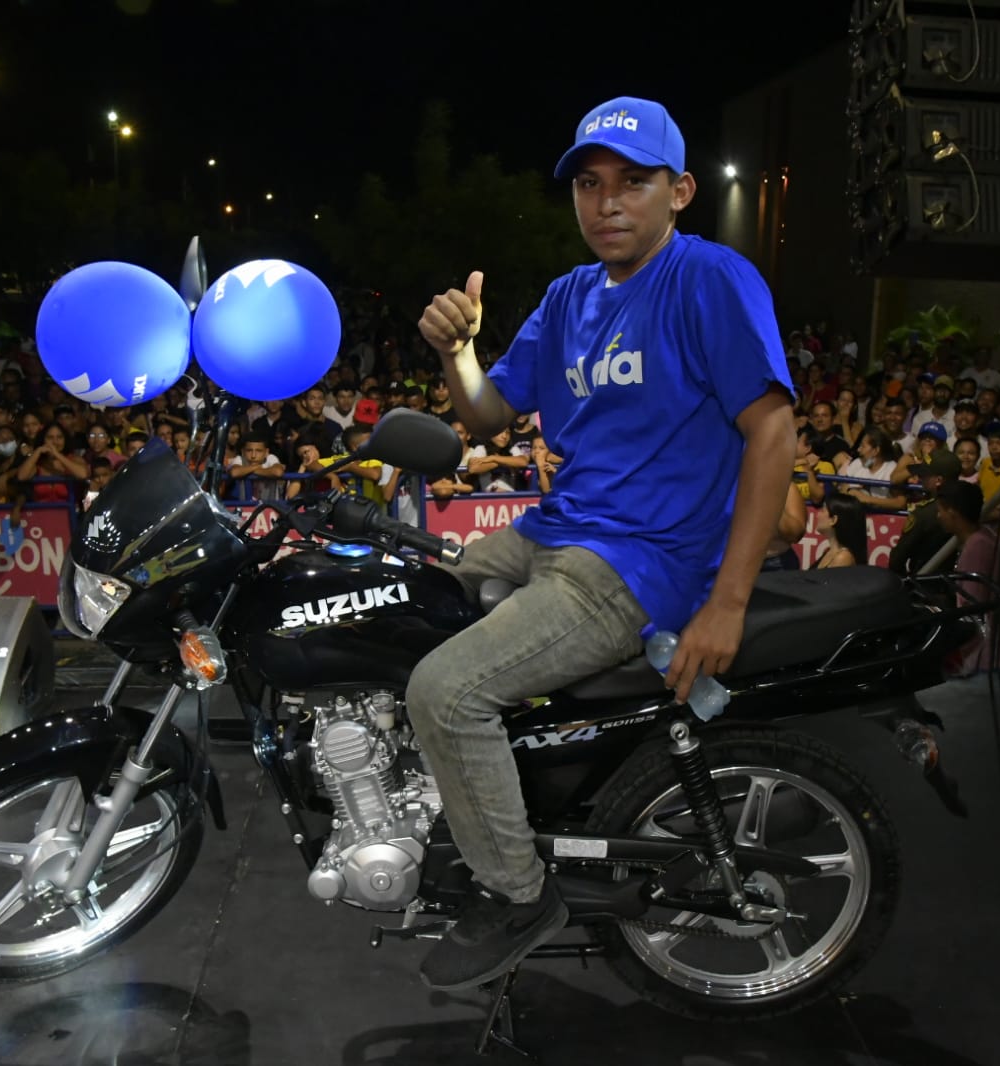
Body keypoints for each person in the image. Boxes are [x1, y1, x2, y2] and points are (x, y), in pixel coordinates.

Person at [409, 95, 794, 991]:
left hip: (636, 562)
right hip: (549, 532)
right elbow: (488, 412)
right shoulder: (568, 295)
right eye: (589, 183)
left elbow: (772, 432)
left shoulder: (708, 278)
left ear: (680, 191)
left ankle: (515, 893)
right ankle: (489, 806)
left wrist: (724, 605)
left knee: (444, 689)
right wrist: (456, 352)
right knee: (399, 604)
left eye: (633, 182)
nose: (607, 202)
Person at [935, 481, 1000, 675]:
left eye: (940, 510)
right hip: (992, 648)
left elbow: (973, 607)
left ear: (953, 512)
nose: (938, 516)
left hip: (989, 654)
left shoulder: (976, 546)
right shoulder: (985, 536)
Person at [887, 449, 961, 576]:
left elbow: (897, 559)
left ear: (938, 480)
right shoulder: (964, 505)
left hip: (924, 584)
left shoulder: (924, 514)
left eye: (925, 474)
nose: (920, 477)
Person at [813, 494, 867, 568]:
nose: (817, 515)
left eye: (822, 510)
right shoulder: (829, 552)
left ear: (833, 520)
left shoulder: (843, 558)